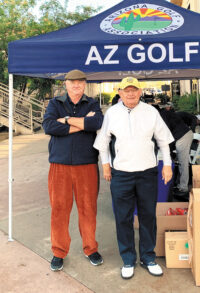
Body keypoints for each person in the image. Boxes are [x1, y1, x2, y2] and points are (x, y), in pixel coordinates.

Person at [94, 77, 174, 279]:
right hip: (121, 174)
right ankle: (128, 259)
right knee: (123, 218)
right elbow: (103, 143)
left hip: (147, 172)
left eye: (134, 90)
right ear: (120, 92)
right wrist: (106, 167)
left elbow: (163, 140)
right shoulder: (112, 113)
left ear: (140, 92)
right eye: (126, 90)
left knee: (148, 216)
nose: (131, 94)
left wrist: (167, 166)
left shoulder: (151, 112)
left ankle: (148, 257)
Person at [43, 69, 104, 271]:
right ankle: (58, 252)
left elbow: (97, 123)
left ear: (84, 84)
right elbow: (50, 126)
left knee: (88, 209)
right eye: (72, 82)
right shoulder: (55, 103)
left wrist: (67, 120)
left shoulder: (92, 103)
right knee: (59, 210)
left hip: (86, 164)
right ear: (66, 84)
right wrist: (83, 124)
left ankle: (91, 248)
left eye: (80, 82)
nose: (76, 85)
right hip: (59, 165)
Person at [160, 109, 195, 199]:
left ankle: (183, 187)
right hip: (181, 136)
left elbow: (167, 136)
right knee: (180, 162)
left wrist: (169, 153)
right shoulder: (163, 114)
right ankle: (179, 184)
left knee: (183, 163)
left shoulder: (162, 117)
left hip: (183, 136)